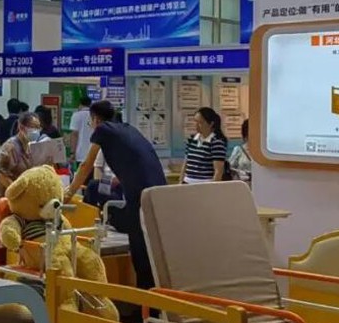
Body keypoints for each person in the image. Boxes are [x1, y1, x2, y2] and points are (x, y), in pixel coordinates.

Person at [67, 100, 167, 290]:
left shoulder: (103, 130)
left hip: (140, 196)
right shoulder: (128, 129)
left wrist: (69, 192)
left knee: (140, 251)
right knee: (152, 248)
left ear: (96, 119)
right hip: (158, 193)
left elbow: (86, 165)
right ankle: (152, 298)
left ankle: (146, 301)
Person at [0, 112, 41, 268]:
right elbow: (1, 174)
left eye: (38, 127)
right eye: (33, 127)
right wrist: (16, 191)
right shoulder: (9, 147)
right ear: (21, 127)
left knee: (15, 240)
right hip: (2, 200)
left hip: (19, 202)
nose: (36, 131)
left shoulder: (30, 147)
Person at [182, 107, 229, 183]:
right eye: (195, 122)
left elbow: (218, 171)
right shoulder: (191, 140)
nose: (196, 125)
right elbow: (185, 164)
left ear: (211, 124)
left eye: (200, 123)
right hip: (188, 182)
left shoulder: (216, 142)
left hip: (204, 183)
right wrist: (180, 182)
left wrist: (212, 188)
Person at [68, 95, 93, 167]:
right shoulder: (94, 116)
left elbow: (74, 135)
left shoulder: (76, 115)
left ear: (80, 104)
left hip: (80, 153)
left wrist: (72, 153)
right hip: (93, 152)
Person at [229, 119, 253, 184]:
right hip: (242, 185)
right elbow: (230, 168)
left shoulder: (262, 153)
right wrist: (241, 173)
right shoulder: (238, 150)